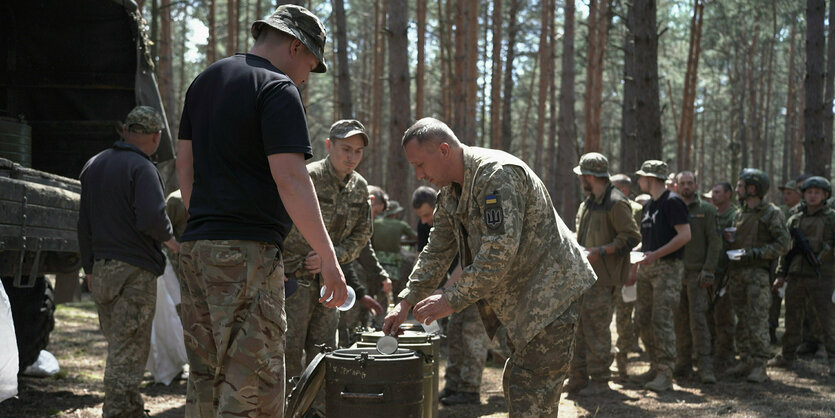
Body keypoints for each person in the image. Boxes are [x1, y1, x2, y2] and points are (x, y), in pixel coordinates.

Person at [175, 5, 348, 416]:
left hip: (196, 249)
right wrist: (327, 257)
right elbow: (291, 179)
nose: (306, 76)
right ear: (294, 46)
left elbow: (185, 164)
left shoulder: (204, 81)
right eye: (310, 63)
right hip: (247, 255)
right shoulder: (278, 87)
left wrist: (207, 221)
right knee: (253, 386)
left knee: (205, 381)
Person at [384, 117, 596, 416]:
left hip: (550, 297)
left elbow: (497, 253)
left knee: (530, 398)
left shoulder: (496, 176)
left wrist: (450, 299)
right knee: (518, 388)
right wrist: (405, 302)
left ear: (444, 150)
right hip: (522, 304)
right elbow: (436, 250)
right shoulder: (450, 193)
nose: (419, 175)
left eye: (420, 165)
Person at [78, 105, 178, 417]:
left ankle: (131, 407)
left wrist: (89, 267)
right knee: (129, 350)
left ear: (126, 131)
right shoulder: (143, 168)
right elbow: (152, 217)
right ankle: (118, 412)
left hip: (103, 269)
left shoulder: (93, 165)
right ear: (156, 136)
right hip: (134, 271)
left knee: (120, 345)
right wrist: (173, 243)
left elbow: (84, 224)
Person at [282, 119, 383, 380]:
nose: (352, 157)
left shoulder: (360, 187)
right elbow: (281, 225)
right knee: (288, 349)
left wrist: (332, 257)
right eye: (346, 149)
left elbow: (363, 234)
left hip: (331, 281)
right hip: (295, 277)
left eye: (358, 151)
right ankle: (288, 409)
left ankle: (317, 409)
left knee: (324, 349)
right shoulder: (307, 177)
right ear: (329, 146)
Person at [564, 154, 641, 395]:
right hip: (583, 277)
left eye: (581, 177)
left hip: (603, 279)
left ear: (589, 177)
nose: (579, 181)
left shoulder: (616, 202)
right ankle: (578, 376)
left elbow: (631, 237)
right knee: (578, 328)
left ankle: (599, 380)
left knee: (597, 329)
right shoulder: (587, 203)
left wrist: (600, 251)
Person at [630, 160, 692, 392]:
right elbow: (647, 241)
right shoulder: (649, 206)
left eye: (641, 177)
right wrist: (634, 254)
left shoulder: (673, 202)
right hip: (648, 268)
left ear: (651, 178)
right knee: (643, 319)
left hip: (668, 269)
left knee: (662, 320)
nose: (638, 181)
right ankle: (655, 366)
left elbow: (685, 235)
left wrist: (656, 254)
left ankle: (666, 373)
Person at [723, 169, 790, 383]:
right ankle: (746, 359)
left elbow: (784, 243)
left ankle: (760, 365)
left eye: (741, 186)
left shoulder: (772, 213)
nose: (738, 190)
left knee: (758, 319)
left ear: (753, 189)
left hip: (758, 275)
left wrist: (757, 253)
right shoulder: (739, 214)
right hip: (737, 274)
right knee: (742, 319)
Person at [770, 177, 835, 376]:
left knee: (828, 320)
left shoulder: (832, 218)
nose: (813, 196)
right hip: (797, 275)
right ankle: (787, 355)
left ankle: (833, 358)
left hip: (823, 276)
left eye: (817, 192)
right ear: (804, 195)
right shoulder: (794, 219)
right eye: (809, 192)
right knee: (792, 317)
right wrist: (781, 274)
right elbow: (786, 251)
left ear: (825, 196)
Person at [673, 171, 721, 384]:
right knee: (679, 321)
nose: (686, 186)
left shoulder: (707, 210)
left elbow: (715, 242)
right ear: (676, 186)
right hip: (674, 273)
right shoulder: (672, 207)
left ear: (696, 185)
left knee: (699, 321)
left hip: (697, 274)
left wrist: (709, 269)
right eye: (682, 183)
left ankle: (705, 367)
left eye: (689, 183)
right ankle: (682, 364)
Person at [610, 173, 645, 376]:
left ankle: (621, 360)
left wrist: (633, 268)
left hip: (627, 271)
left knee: (624, 317)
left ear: (623, 190)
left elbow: (640, 240)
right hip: (606, 273)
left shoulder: (638, 210)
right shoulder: (605, 206)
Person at [708, 181, 738, 369]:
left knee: (724, 315)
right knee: (709, 313)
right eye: (713, 192)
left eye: (718, 192)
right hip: (713, 270)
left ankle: (725, 354)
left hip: (727, 272)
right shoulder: (713, 214)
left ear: (728, 194)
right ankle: (712, 351)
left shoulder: (735, 216)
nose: (714, 195)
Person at [372, 200, 418, 299]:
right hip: (394, 263)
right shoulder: (401, 225)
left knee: (379, 292)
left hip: (376, 262)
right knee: (398, 289)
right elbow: (416, 237)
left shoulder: (375, 223)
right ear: (396, 213)